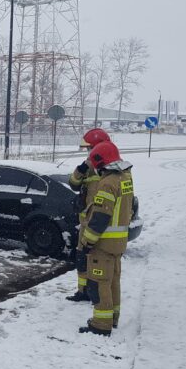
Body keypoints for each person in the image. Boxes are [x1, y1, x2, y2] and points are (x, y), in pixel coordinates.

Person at [78, 141, 134, 336]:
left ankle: (101, 325)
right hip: (119, 241)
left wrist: (87, 242)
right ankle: (113, 317)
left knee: (98, 282)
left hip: (104, 242)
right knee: (112, 281)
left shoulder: (107, 183)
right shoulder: (125, 177)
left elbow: (100, 217)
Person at [66, 128, 112, 302]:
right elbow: (73, 183)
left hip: (99, 223)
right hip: (85, 221)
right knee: (81, 258)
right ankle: (82, 291)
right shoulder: (87, 167)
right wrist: (82, 168)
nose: (88, 152)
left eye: (89, 148)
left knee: (96, 261)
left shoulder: (109, 168)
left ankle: (96, 294)